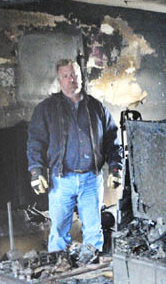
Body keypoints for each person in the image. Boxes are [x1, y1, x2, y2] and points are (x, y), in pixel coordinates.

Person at [27, 59, 123, 256]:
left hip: (90, 179)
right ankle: (58, 272)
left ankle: (90, 273)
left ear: (81, 77)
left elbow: (112, 140)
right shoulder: (46, 109)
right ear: (59, 80)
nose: (71, 80)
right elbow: (35, 142)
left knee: (93, 231)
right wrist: (36, 171)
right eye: (66, 76)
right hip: (61, 181)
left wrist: (115, 168)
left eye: (74, 75)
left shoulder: (97, 108)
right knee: (59, 232)